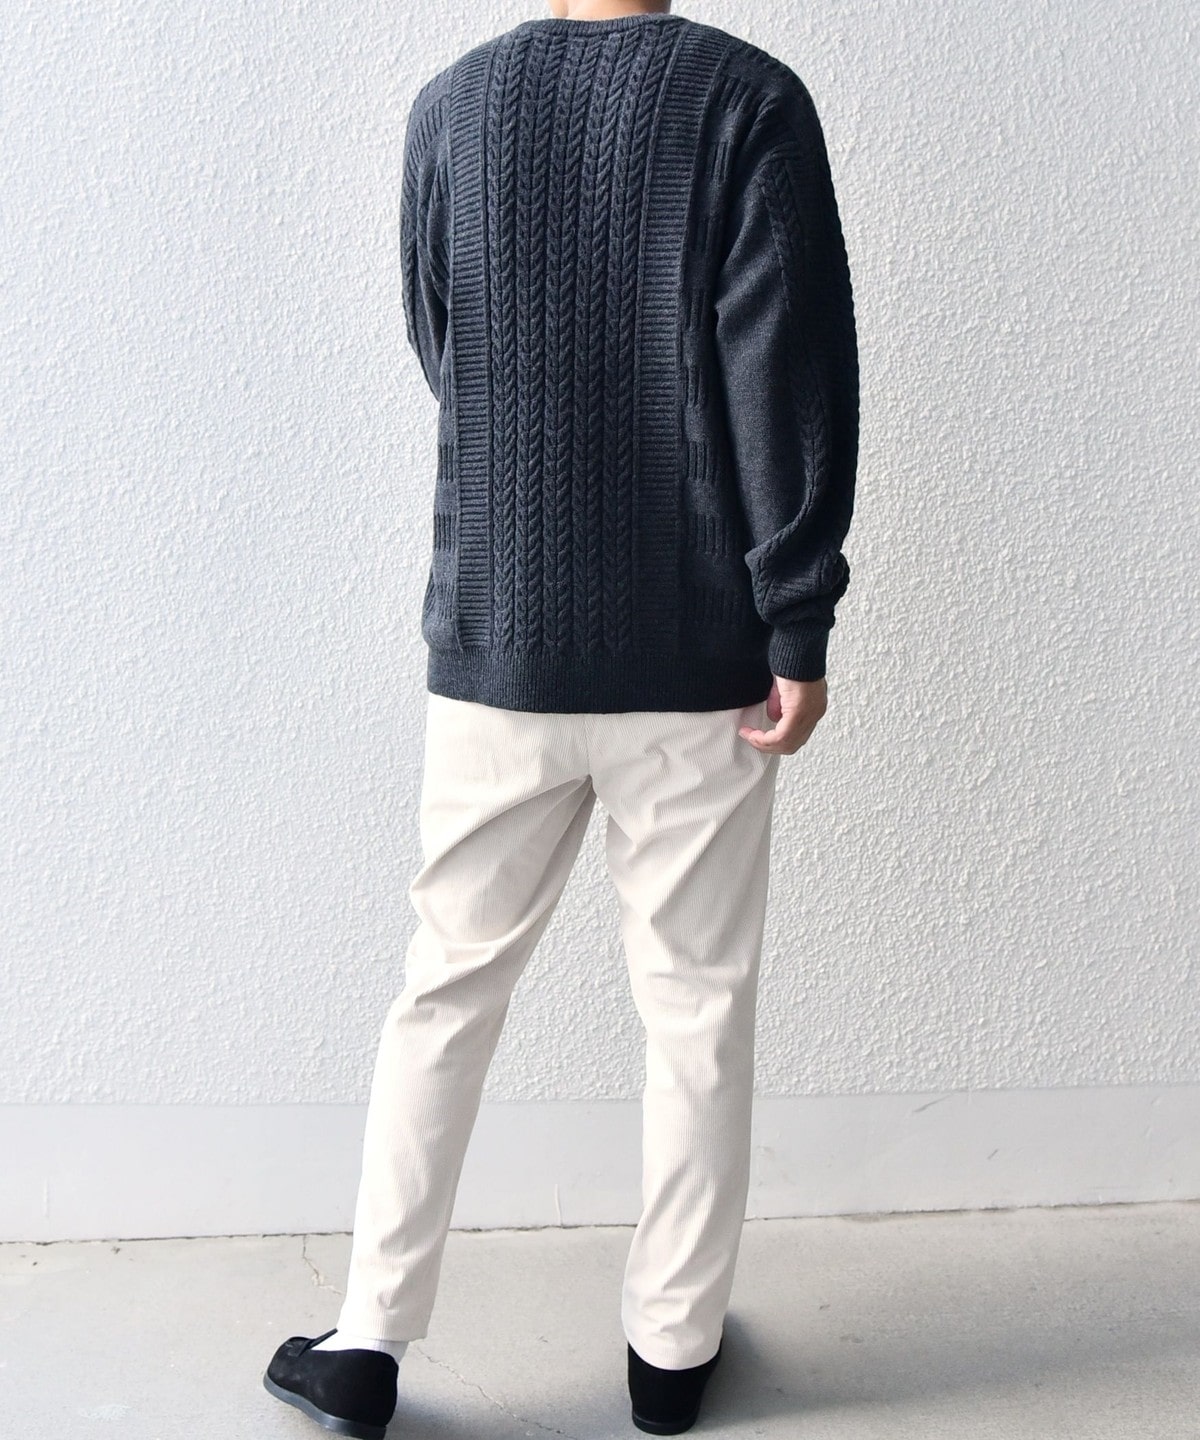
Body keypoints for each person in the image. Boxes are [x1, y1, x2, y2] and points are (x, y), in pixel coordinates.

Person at [263, 0, 859, 1434]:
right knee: (696, 1004)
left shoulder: (452, 109)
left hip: (499, 641)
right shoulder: (748, 100)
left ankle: (367, 1340)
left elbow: (447, 347)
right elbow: (786, 370)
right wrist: (796, 617)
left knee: (445, 989)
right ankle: (671, 1354)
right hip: (697, 651)